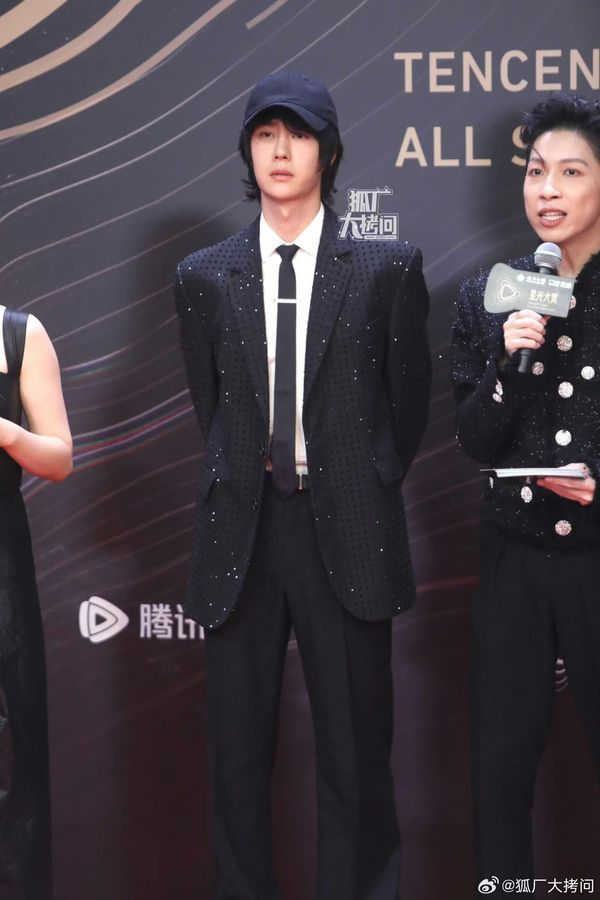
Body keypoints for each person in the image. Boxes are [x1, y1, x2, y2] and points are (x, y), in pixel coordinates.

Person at [175, 69, 431, 900]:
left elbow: (407, 407)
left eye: (298, 134)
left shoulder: (386, 268)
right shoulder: (205, 275)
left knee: (356, 755)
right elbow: (212, 405)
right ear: (247, 152)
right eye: (264, 134)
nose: (280, 150)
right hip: (243, 529)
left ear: (330, 151)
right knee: (236, 759)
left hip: (347, 523)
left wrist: (357, 478)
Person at [452, 92, 600, 891]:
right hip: (514, 556)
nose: (547, 189)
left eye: (570, 172)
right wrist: (509, 364)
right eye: (537, 170)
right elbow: (475, 439)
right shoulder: (491, 291)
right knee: (500, 766)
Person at [0, 308, 72, 900]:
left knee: (12, 755)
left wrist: (5, 431)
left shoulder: (19, 334)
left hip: (1, 568)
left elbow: (59, 458)